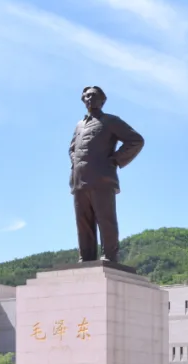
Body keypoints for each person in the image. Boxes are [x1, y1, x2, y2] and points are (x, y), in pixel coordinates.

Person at [69, 84, 145, 263]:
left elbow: (136, 140)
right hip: (79, 180)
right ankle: (86, 257)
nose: (90, 99)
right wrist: (76, 163)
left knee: (106, 220)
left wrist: (115, 160)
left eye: (94, 96)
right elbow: (72, 149)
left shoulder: (111, 121)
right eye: (86, 96)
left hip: (102, 179)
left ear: (103, 100)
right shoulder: (79, 125)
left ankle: (109, 255)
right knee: (83, 222)